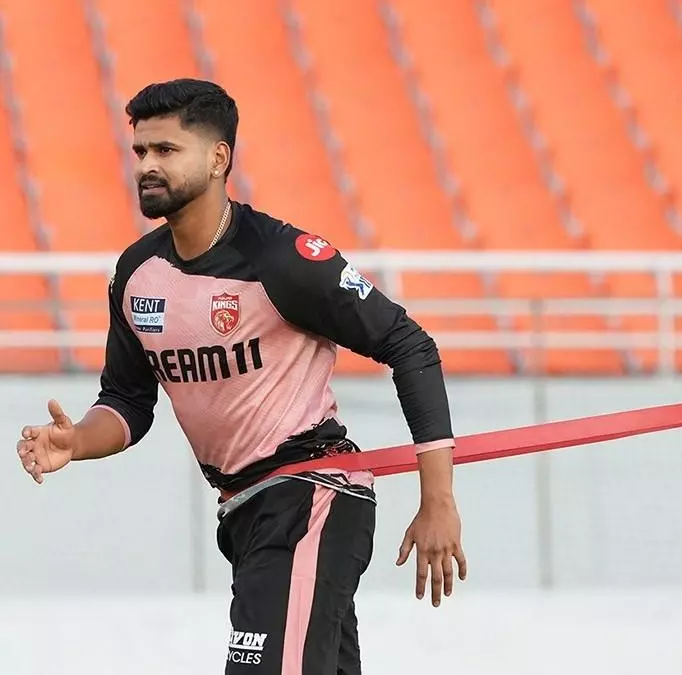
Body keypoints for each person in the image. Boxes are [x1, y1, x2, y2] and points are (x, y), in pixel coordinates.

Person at [13, 78, 468, 674]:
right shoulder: (136, 273)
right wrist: (77, 441)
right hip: (243, 512)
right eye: (141, 151)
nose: (146, 165)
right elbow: (126, 402)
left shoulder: (283, 259)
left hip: (310, 496)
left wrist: (438, 501)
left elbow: (410, 345)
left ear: (218, 158)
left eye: (166, 150)